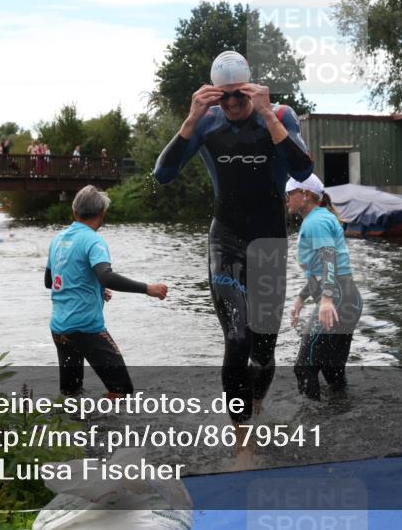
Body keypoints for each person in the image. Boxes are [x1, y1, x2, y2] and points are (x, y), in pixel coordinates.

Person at [153, 50, 313, 464]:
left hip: (269, 244)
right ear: (214, 96)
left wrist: (270, 117)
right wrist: (190, 119)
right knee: (237, 338)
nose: (232, 103)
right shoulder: (206, 124)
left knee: (263, 348)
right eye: (223, 97)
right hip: (226, 241)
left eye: (239, 93)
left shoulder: (279, 114)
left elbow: (301, 170)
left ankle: (255, 403)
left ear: (252, 87)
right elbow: (163, 174)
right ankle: (243, 440)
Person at [45, 185, 168, 398]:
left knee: (71, 393)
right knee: (122, 391)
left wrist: (96, 289)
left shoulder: (58, 239)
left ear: (75, 212)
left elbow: (51, 281)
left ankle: (74, 427)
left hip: (59, 328)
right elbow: (106, 275)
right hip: (85, 328)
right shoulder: (93, 240)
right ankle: (107, 428)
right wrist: (148, 289)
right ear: (102, 213)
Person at [286, 174, 363, 400]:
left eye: (290, 193)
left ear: (306, 195)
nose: (287, 198)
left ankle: (312, 427)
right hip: (348, 299)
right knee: (332, 371)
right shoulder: (319, 218)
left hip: (337, 299)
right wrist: (300, 300)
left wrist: (327, 300)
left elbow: (329, 258)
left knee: (304, 367)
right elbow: (318, 271)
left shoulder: (316, 222)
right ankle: (341, 417)